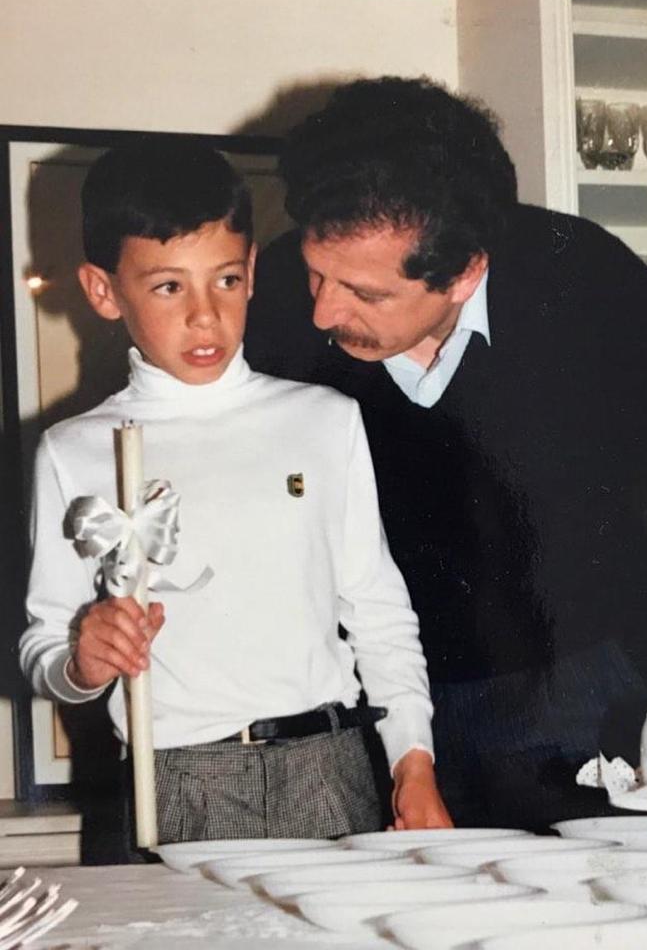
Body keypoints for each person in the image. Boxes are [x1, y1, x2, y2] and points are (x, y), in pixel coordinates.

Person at [244, 76, 647, 831]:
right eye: (315, 271)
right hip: (379, 712)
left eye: (365, 294)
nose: (323, 311)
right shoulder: (269, 303)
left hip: (586, 701)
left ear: (464, 272)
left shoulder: (582, 279)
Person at [19, 135, 450, 852]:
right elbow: (45, 645)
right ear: (103, 290)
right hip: (178, 781)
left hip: (329, 770)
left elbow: (379, 612)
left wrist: (414, 761)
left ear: (251, 271)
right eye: (167, 286)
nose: (204, 315)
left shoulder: (324, 419)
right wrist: (81, 659)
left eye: (224, 280)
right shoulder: (76, 450)